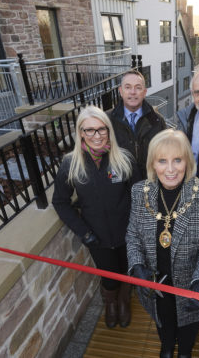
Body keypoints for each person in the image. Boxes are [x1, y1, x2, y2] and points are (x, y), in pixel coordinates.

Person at [126, 129, 199, 358]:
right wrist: (137, 266)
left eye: (177, 160)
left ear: (187, 162)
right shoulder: (139, 192)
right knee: (163, 323)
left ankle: (185, 353)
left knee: (188, 329)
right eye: (162, 161)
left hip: (189, 287)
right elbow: (133, 236)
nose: (170, 169)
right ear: (153, 163)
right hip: (155, 284)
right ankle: (167, 348)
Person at [52, 105, 139, 329]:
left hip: (127, 234)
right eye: (89, 130)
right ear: (80, 132)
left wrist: (137, 229)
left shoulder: (124, 158)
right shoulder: (70, 164)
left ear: (109, 131)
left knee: (127, 272)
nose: (96, 135)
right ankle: (110, 304)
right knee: (109, 276)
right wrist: (84, 232)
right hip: (97, 238)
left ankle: (123, 302)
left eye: (101, 129)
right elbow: (60, 202)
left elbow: (139, 195)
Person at [108, 69, 167, 180]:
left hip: (149, 187)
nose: (133, 92)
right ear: (120, 91)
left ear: (144, 92)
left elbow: (164, 157)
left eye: (138, 87)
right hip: (121, 188)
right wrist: (113, 183)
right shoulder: (107, 121)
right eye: (128, 87)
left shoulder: (157, 121)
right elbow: (106, 159)